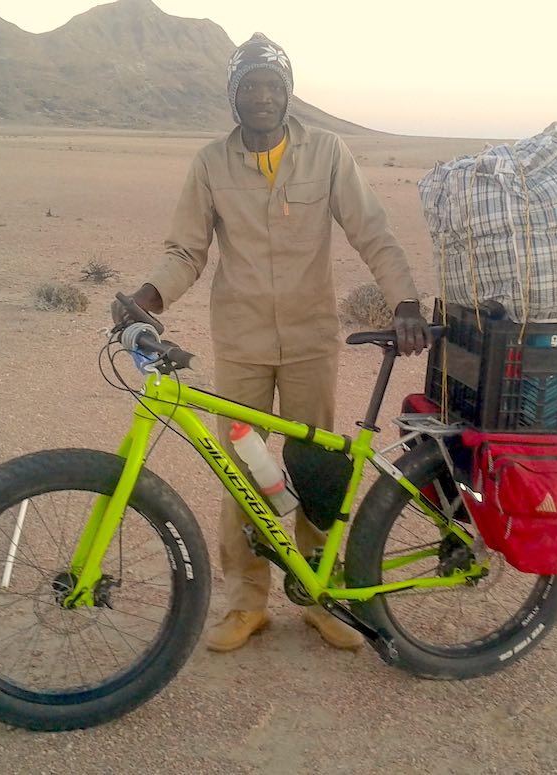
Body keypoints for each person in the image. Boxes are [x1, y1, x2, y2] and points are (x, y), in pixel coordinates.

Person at [117, 33, 429, 653]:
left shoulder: (327, 152)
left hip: (311, 339)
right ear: (233, 97)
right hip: (242, 341)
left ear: (288, 93)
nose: (262, 97)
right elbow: (187, 250)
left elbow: (371, 231)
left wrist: (405, 301)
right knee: (242, 473)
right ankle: (246, 602)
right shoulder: (211, 164)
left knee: (315, 469)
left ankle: (318, 595)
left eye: (272, 86)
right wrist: (147, 298)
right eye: (250, 86)